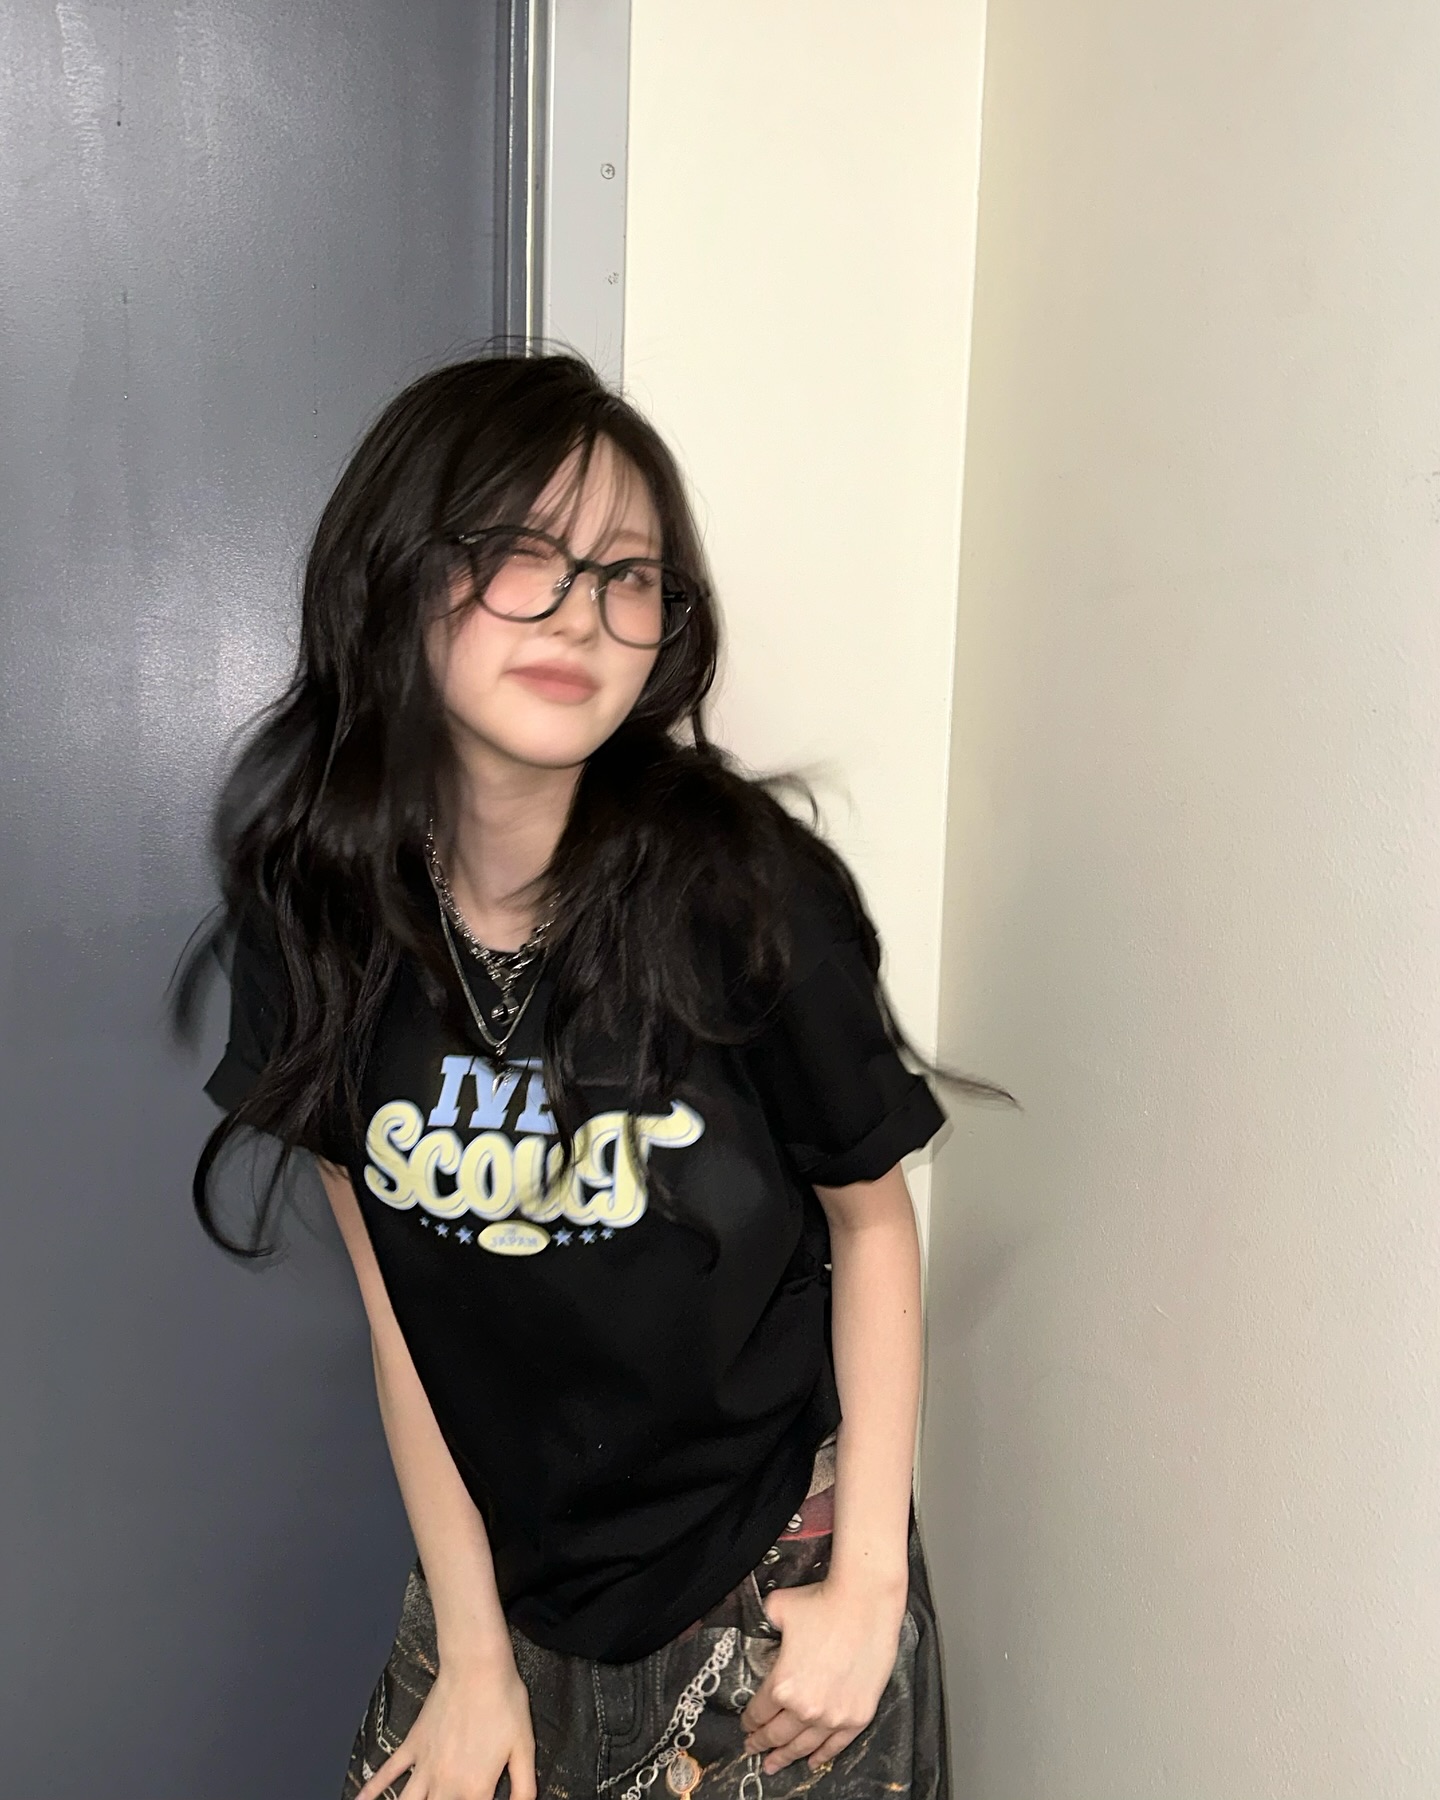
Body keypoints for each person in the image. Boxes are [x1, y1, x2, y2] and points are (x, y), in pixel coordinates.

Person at [195, 351, 995, 1800]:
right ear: (395, 572)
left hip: (774, 1577)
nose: (581, 609)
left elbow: (871, 1221)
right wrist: (472, 1652)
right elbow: (400, 1317)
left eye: (629, 574)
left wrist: (869, 1588)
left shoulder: (747, 894)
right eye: (521, 552)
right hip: (506, 1582)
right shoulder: (317, 918)